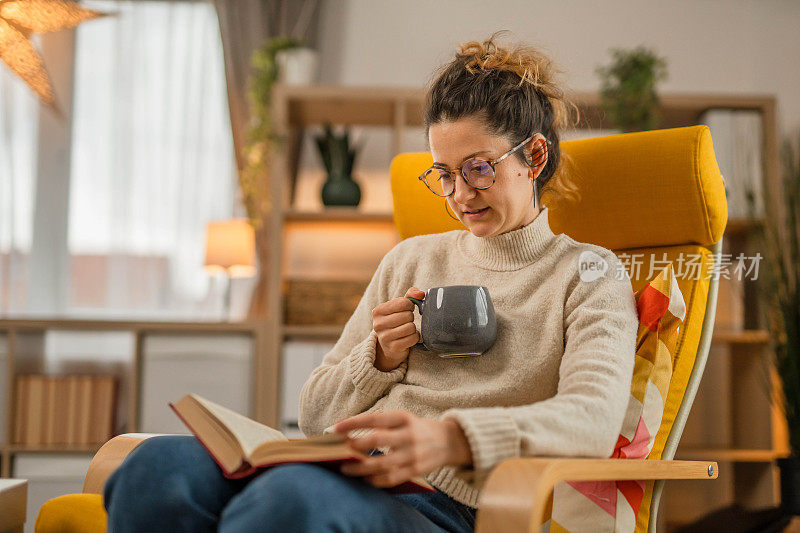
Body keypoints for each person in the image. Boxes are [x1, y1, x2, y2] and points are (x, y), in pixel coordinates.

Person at [103, 34, 638, 533]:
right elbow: (315, 415)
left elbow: (591, 419)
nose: (459, 195)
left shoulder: (588, 273)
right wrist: (379, 357)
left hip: (445, 506)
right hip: (341, 467)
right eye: (444, 174)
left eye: (478, 169)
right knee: (157, 467)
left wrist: (450, 439)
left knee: (290, 500)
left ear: (535, 157)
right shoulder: (410, 260)